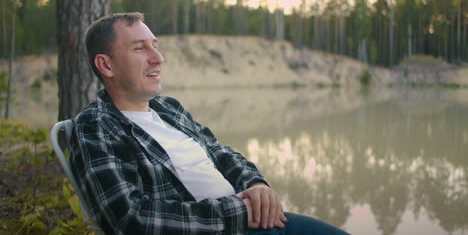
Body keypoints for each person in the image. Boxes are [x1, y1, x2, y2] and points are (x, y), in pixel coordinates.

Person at [69, 12, 349, 235]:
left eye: (155, 46)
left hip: (250, 221)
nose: (158, 58)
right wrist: (239, 213)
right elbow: (132, 219)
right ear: (106, 66)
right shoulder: (97, 126)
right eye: (140, 48)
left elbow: (219, 152)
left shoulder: (167, 108)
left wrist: (256, 183)